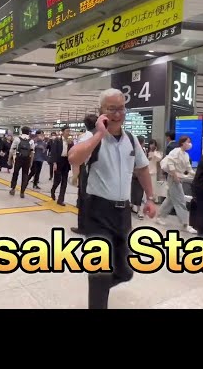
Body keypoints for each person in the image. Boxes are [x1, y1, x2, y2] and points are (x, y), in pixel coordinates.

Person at [68, 88, 157, 309]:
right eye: (111, 109)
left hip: (122, 213)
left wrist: (150, 198)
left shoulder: (132, 140)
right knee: (100, 270)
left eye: (121, 108)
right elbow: (74, 158)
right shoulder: (91, 137)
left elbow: (143, 169)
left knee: (125, 272)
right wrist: (99, 133)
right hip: (98, 211)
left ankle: (100, 290)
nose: (118, 113)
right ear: (101, 112)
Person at [156, 135, 196, 232]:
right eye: (187, 142)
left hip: (178, 178)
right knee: (181, 201)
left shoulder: (185, 155)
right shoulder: (176, 151)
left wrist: (195, 174)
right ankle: (185, 224)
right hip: (173, 179)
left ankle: (159, 216)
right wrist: (175, 176)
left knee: (170, 200)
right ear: (182, 143)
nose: (189, 144)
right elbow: (170, 164)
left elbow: (188, 167)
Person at [8, 126, 35, 198]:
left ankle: (13, 189)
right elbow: (32, 153)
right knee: (25, 175)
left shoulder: (17, 139)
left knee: (16, 173)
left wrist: (9, 159)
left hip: (19, 158)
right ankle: (22, 192)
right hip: (27, 159)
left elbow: (12, 150)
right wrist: (31, 162)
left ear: (21, 131)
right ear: (28, 132)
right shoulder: (31, 141)